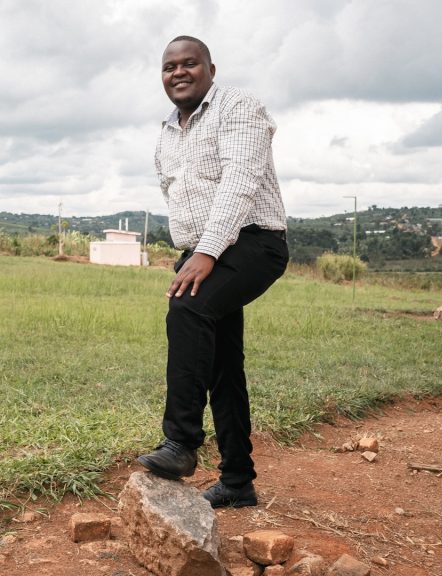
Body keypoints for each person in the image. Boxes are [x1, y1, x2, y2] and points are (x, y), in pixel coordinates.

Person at [136, 36, 289, 508]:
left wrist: (206, 252)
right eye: (169, 67)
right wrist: (192, 251)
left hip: (254, 242)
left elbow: (240, 182)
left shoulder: (238, 107)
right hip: (204, 249)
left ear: (211, 68)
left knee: (187, 310)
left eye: (189, 64)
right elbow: (176, 195)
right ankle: (238, 482)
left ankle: (181, 444)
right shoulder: (166, 130)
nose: (178, 72)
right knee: (222, 365)